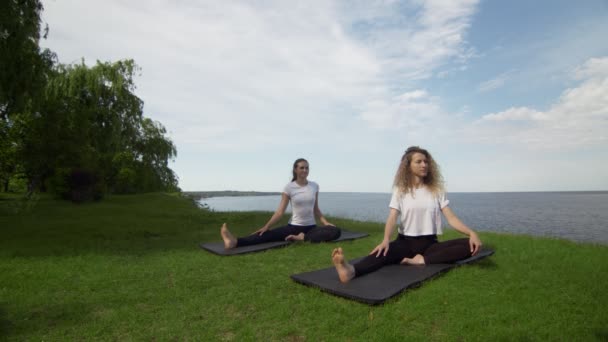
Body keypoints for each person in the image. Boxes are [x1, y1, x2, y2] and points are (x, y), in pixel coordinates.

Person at [332, 146, 482, 283]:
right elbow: (392, 217)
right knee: (382, 252)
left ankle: (421, 260)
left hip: (429, 244)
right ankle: (351, 271)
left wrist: (471, 233)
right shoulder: (400, 190)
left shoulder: (436, 190)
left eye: (426, 161)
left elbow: (451, 218)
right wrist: (385, 239)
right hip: (405, 243)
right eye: (419, 162)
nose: (424, 165)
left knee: (470, 245)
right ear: (408, 166)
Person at [220, 158, 341, 249]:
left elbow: (316, 209)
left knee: (336, 231)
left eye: (307, 168)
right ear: (295, 170)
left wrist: (325, 223)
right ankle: (234, 242)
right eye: (302, 168)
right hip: (294, 227)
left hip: (311, 228)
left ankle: (302, 238)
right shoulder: (289, 188)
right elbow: (280, 212)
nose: (305, 170)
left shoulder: (314, 186)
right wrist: (266, 227)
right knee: (267, 235)